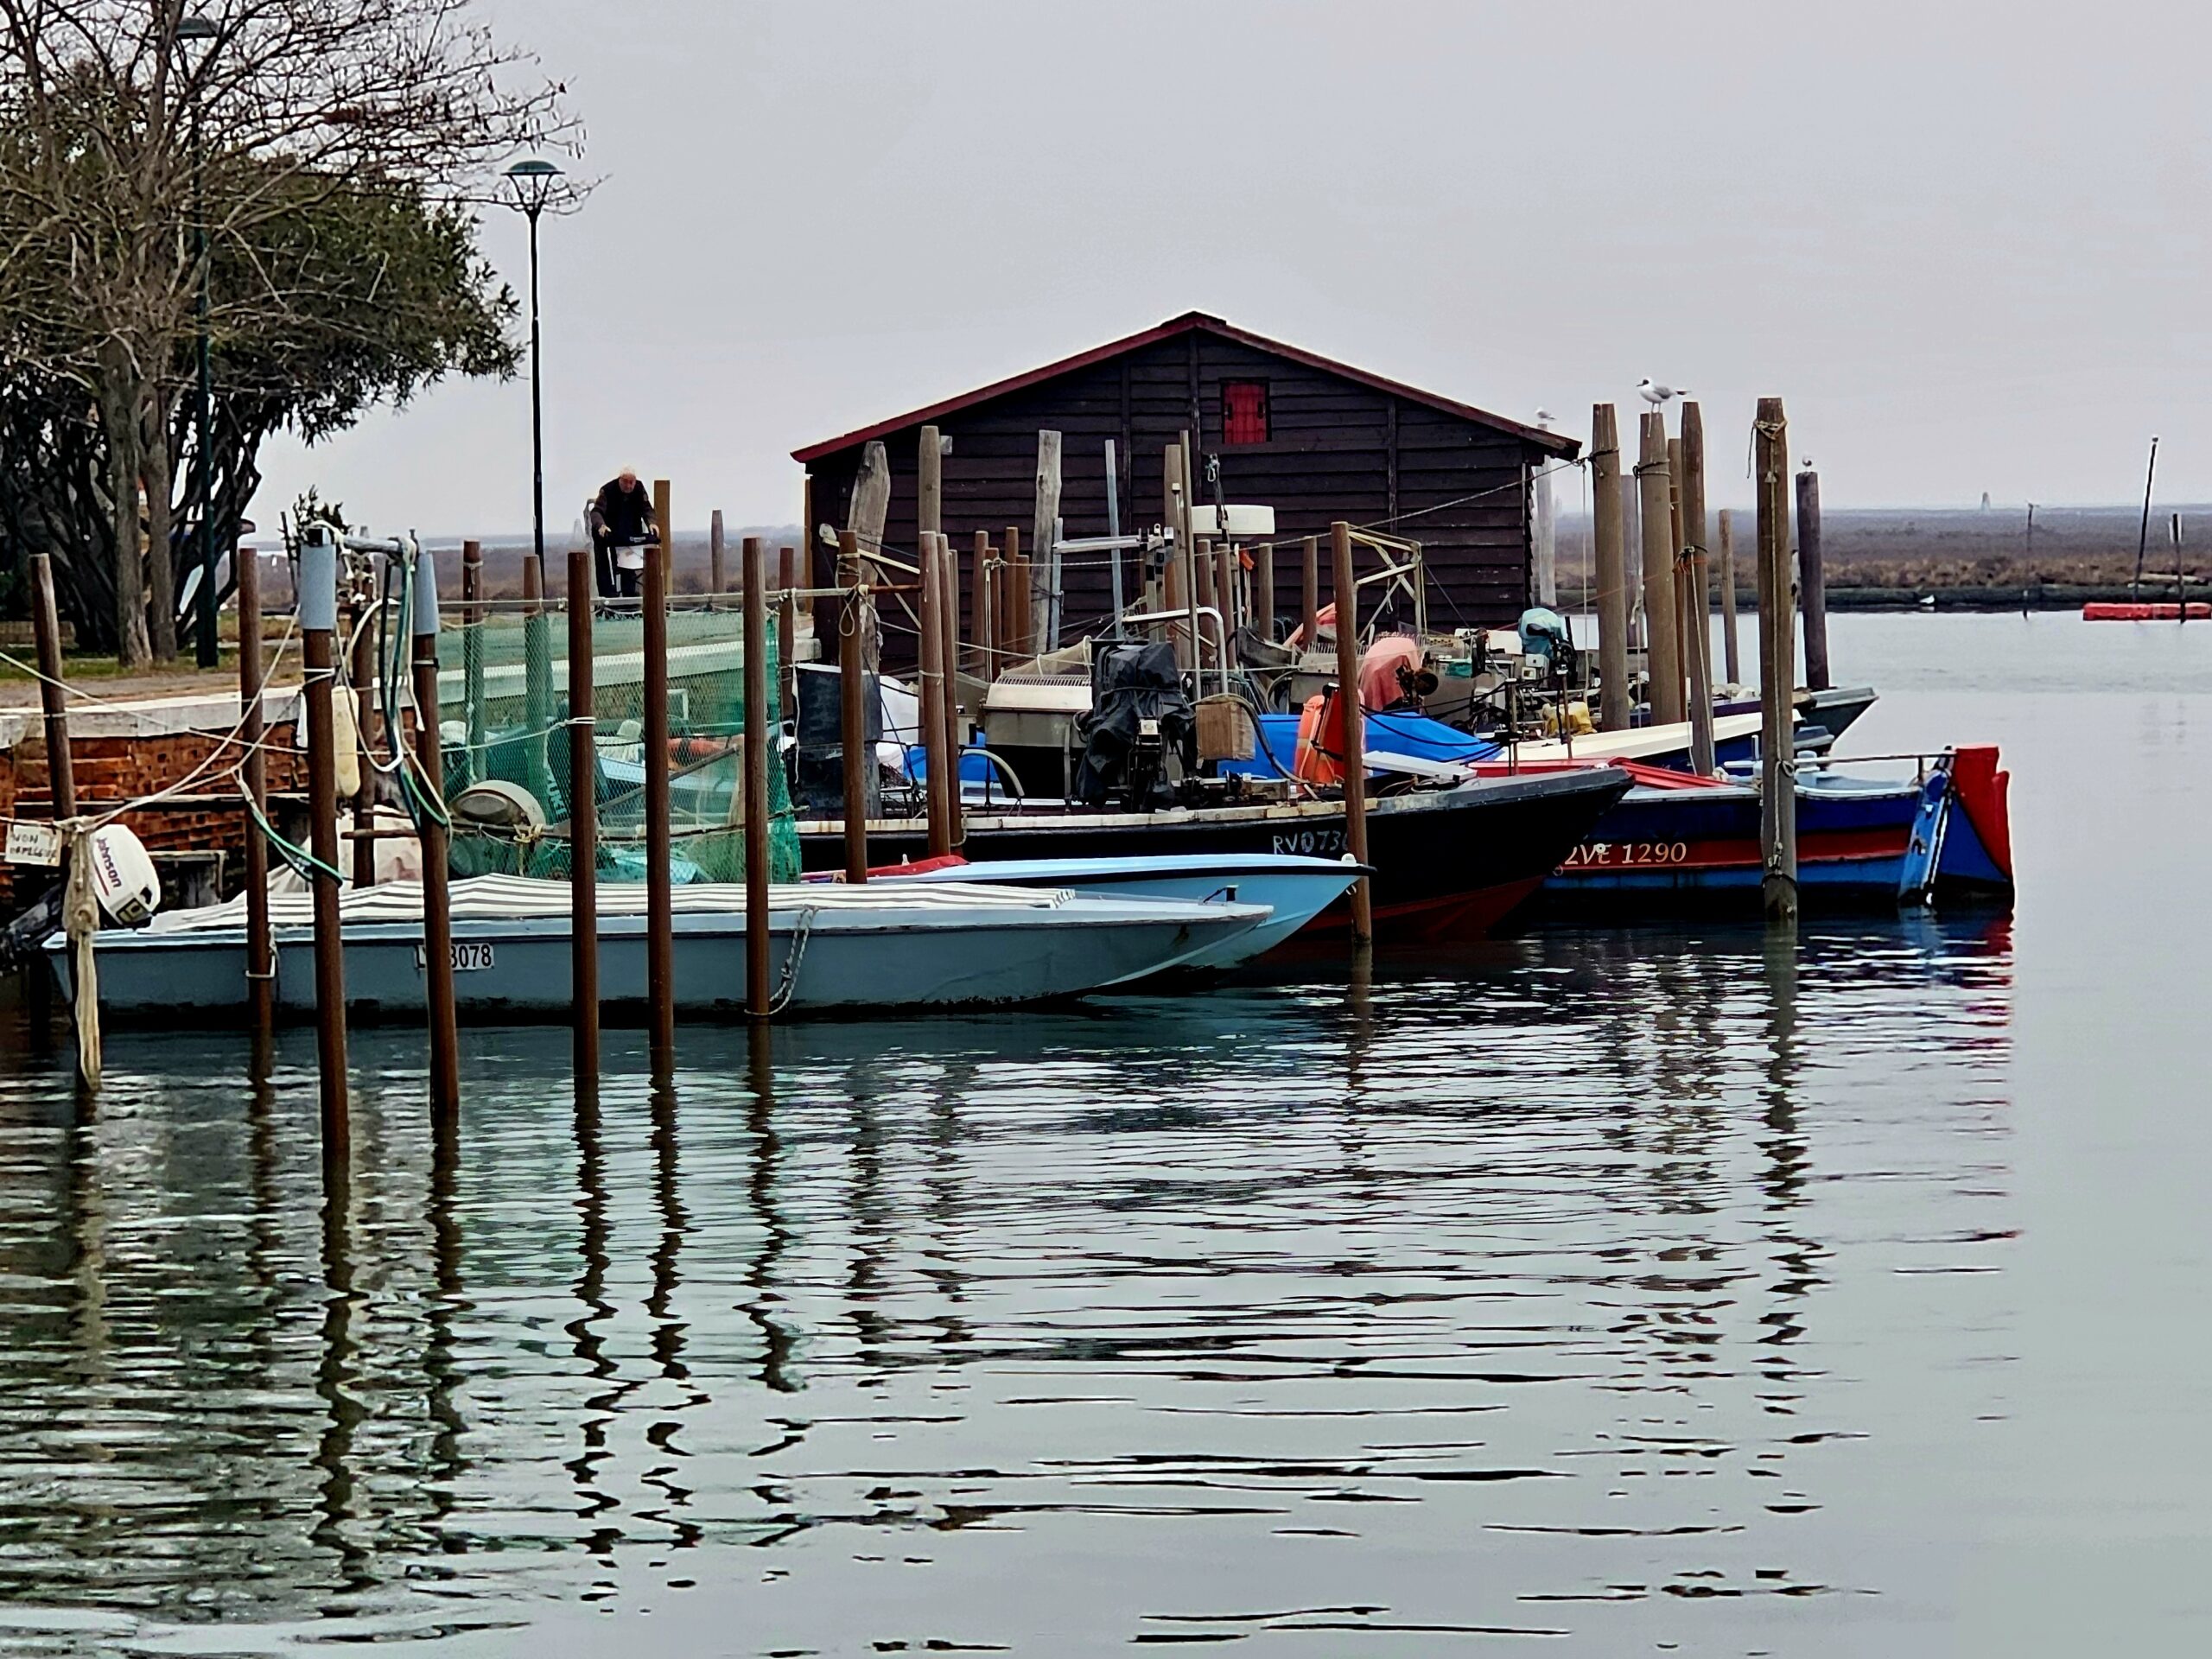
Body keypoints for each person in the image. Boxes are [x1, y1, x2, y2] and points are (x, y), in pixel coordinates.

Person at [588, 468, 656, 599]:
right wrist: (601, 526)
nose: (629, 486)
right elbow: (596, 512)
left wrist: (651, 523)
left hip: (630, 534)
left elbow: (647, 509)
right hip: (608, 534)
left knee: (629, 567)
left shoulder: (639, 488)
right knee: (606, 568)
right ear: (620, 480)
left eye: (632, 482)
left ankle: (630, 599)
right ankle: (609, 599)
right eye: (626, 482)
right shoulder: (607, 490)